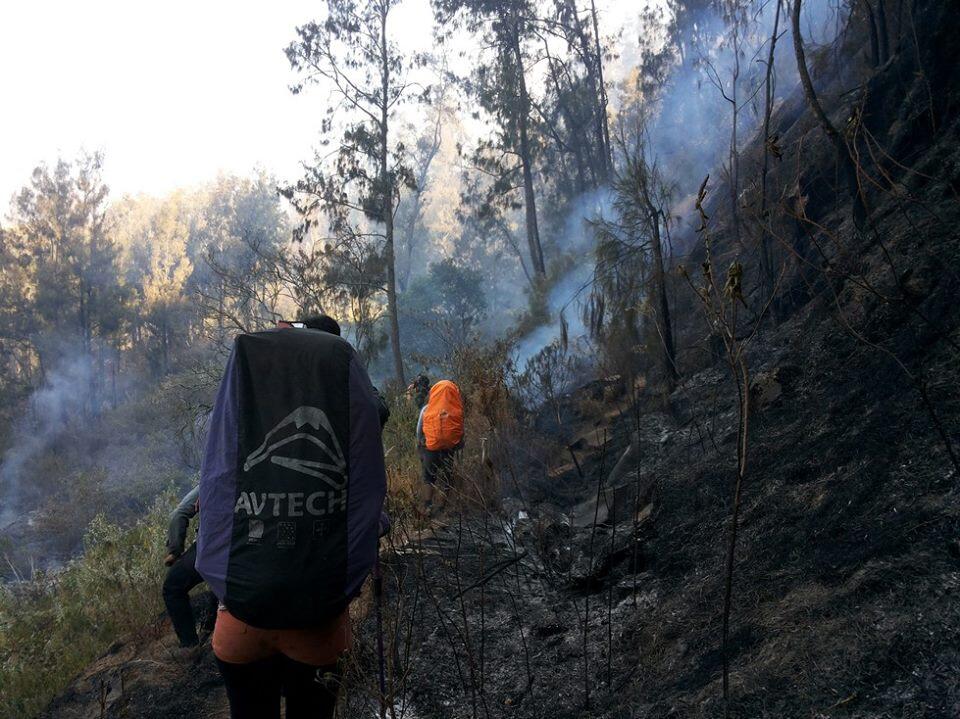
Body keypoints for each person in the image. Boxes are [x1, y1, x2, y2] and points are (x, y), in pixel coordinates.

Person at [196, 314, 388, 719]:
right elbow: (368, 500)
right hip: (317, 622)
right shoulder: (346, 399)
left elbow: (216, 490)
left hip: (240, 619)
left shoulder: (247, 418)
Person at [163, 485, 217, 648]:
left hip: (212, 545)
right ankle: (211, 623)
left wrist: (175, 550)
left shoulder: (214, 478)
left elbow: (177, 515)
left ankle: (190, 646)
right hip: (251, 547)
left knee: (173, 588)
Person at [417, 380, 465, 516]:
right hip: (449, 449)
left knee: (428, 477)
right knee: (446, 478)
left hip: (430, 448)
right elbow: (461, 432)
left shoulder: (427, 409)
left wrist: (420, 446)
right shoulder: (457, 410)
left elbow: (419, 430)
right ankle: (442, 508)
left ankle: (428, 506)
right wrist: (457, 446)